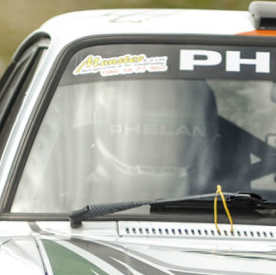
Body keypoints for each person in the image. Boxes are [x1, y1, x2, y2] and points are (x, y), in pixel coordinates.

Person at [88, 79, 220, 200]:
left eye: (173, 134)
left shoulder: (234, 191)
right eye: (141, 138)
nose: (158, 150)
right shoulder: (75, 195)